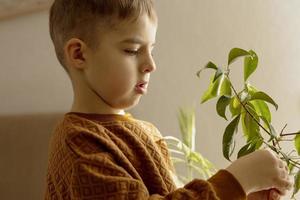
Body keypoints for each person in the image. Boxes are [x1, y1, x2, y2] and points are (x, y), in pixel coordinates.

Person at [44, 0, 292, 199]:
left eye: (151, 50)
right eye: (132, 50)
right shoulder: (78, 143)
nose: (151, 64)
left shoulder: (146, 132)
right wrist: (235, 180)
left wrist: (243, 194)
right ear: (78, 54)